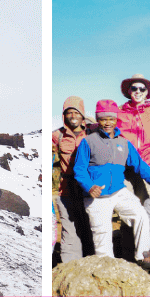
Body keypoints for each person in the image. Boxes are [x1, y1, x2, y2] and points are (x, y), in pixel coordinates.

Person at [72, 99, 150, 267]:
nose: (107, 123)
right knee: (103, 236)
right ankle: (107, 272)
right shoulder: (88, 142)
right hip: (97, 196)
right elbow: (79, 170)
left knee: (141, 215)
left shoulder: (124, 143)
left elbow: (140, 165)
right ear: (98, 120)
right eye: (104, 119)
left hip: (119, 191)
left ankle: (143, 257)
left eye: (111, 119)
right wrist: (89, 186)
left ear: (116, 120)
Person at [52, 96, 94, 261]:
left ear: (82, 115)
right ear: (64, 116)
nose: (73, 116)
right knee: (70, 232)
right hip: (66, 190)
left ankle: (92, 264)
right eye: (69, 112)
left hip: (88, 190)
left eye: (76, 112)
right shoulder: (57, 136)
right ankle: (69, 269)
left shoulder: (92, 133)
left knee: (90, 228)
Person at [117, 73, 150, 200]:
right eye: (134, 88)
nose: (138, 91)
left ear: (147, 92)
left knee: (147, 205)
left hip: (146, 166)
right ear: (129, 90)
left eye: (142, 89)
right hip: (124, 168)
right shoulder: (119, 113)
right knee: (127, 208)